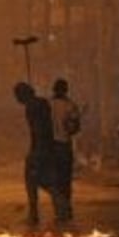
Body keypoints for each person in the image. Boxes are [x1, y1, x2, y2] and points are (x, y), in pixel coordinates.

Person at [14, 81, 67, 225]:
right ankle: (59, 209)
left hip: (41, 149)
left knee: (36, 181)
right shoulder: (42, 103)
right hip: (47, 148)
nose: (16, 99)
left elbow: (38, 131)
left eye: (17, 95)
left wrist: (35, 152)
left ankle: (38, 213)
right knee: (44, 180)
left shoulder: (32, 107)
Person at [48, 78, 83, 219]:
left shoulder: (47, 105)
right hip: (64, 146)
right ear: (65, 90)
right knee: (65, 179)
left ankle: (58, 210)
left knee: (54, 180)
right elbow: (75, 128)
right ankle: (66, 209)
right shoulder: (71, 106)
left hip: (50, 146)